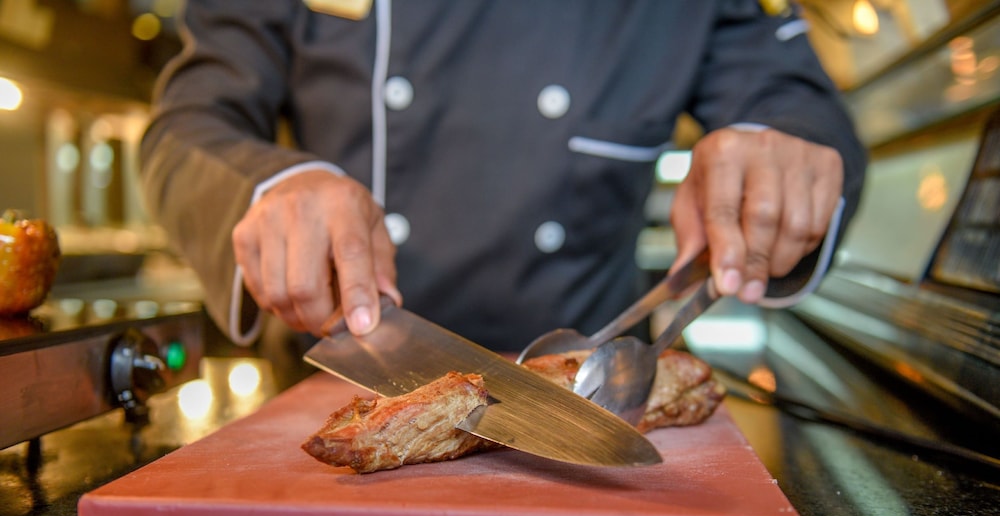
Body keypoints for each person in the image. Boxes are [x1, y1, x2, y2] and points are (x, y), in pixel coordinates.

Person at [140, 0, 866, 383]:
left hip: (592, 393)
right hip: (335, 384)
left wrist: (780, 151)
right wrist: (273, 183)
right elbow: (189, 122)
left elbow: (794, 102)